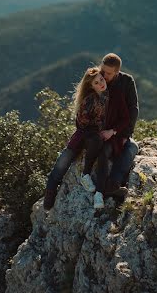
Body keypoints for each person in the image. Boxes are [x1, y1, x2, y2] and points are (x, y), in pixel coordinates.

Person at [44, 66, 111, 210]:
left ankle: (88, 178)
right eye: (96, 83)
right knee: (63, 162)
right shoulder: (89, 100)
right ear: (91, 86)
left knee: (99, 148)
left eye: (101, 79)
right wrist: (97, 130)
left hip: (96, 137)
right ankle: (49, 195)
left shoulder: (106, 96)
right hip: (83, 135)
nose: (101, 83)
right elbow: (81, 124)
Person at [99, 53, 139, 197]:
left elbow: (133, 110)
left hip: (119, 130)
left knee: (131, 148)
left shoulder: (127, 81)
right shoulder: (96, 79)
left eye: (108, 73)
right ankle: (103, 187)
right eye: (102, 70)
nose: (104, 75)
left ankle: (113, 185)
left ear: (117, 72)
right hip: (100, 132)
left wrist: (124, 134)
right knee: (105, 151)